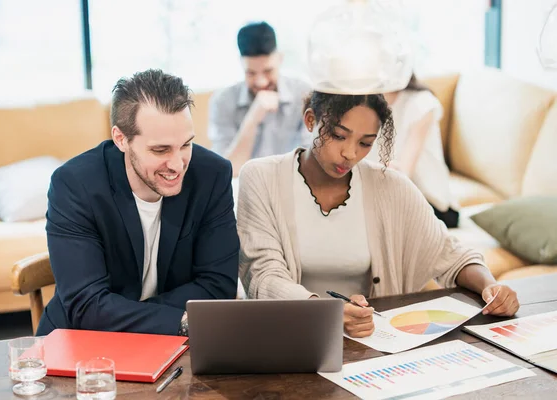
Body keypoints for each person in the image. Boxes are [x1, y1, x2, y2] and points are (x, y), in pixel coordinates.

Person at [237, 91, 519, 339]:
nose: (350, 153)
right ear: (310, 120)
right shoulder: (261, 177)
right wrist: (329, 313)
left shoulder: (390, 186)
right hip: (288, 339)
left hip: (370, 342)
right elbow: (263, 277)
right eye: (338, 135)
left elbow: (450, 254)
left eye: (365, 143)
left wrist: (491, 287)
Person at [36, 69, 239, 336]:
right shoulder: (75, 185)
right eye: (160, 149)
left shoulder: (211, 175)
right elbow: (86, 306)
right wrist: (179, 321)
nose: (178, 165)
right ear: (121, 139)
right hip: (83, 342)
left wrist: (120, 311)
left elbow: (218, 287)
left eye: (186, 144)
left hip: (175, 347)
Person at [208, 21, 311, 176]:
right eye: (251, 73)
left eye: (268, 71)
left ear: (280, 59)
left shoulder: (303, 93)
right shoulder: (222, 101)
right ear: (241, 65)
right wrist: (253, 118)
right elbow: (230, 171)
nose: (261, 82)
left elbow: (312, 161)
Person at [366, 74, 459, 228]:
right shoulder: (360, 101)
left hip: (432, 204)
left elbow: (403, 175)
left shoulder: (421, 103)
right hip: (385, 196)